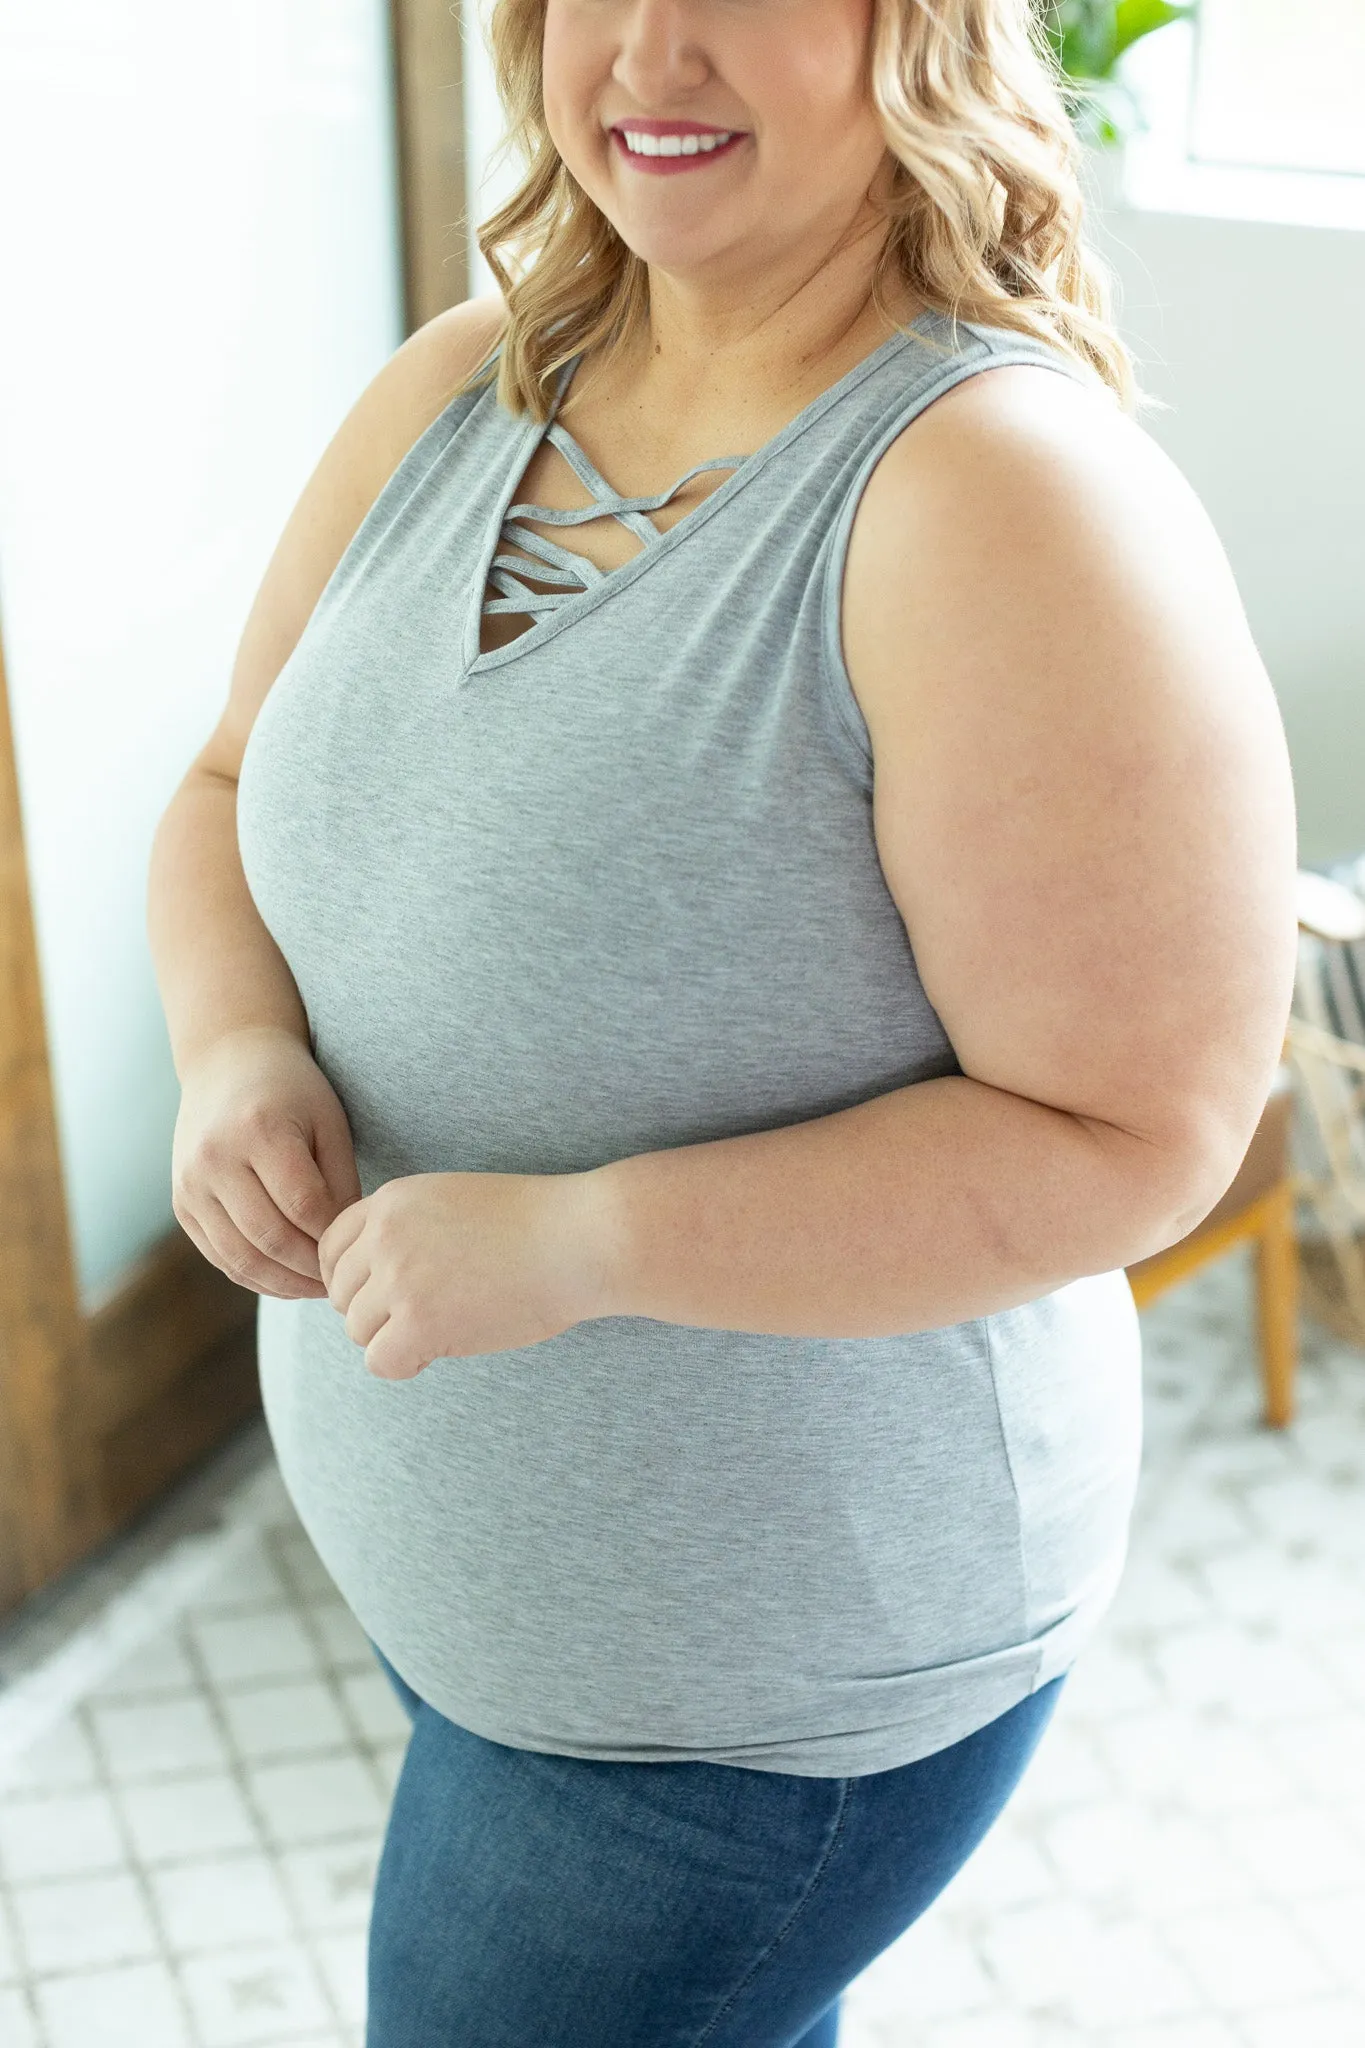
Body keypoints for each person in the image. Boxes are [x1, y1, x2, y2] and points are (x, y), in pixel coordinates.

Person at [147, 0, 1298, 2040]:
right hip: (486, 1605)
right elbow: (229, 789)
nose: (647, 48)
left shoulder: (998, 498)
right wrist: (237, 1047)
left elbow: (1138, 1134)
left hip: (753, 1708)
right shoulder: (457, 385)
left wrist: (582, 1241)